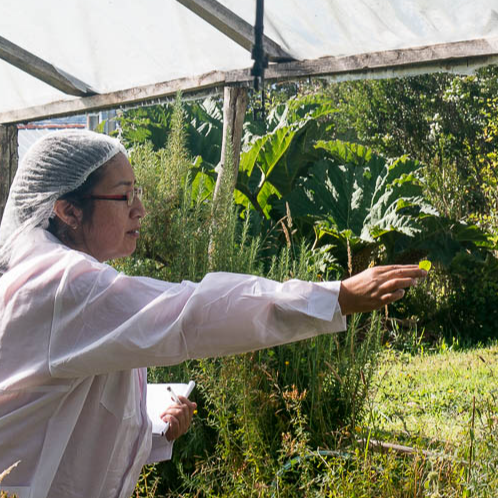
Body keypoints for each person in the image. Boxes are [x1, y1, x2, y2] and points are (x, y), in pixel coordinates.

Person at [0, 130, 427, 498]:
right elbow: (195, 314)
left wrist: (153, 429)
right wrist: (335, 297)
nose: (140, 210)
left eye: (138, 193)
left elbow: (66, 421)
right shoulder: (65, 284)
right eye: (124, 195)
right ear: (68, 210)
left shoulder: (56, 278)